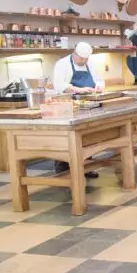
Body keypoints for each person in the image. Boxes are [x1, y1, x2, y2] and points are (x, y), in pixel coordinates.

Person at [52, 42, 103, 177]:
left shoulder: (90, 63)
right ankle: (63, 171)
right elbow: (59, 85)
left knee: (86, 136)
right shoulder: (62, 64)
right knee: (66, 138)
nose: (83, 61)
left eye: (85, 59)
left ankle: (86, 167)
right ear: (74, 53)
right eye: (81, 59)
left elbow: (99, 79)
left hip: (87, 104)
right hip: (67, 105)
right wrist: (78, 89)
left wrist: (99, 86)